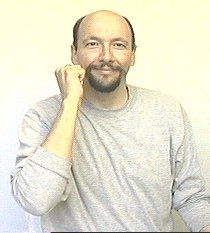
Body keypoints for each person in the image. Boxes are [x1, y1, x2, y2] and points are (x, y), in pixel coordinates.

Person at [10, 10, 210, 232]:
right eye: (93, 44)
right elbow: (36, 199)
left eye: (119, 45)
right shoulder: (43, 115)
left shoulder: (167, 111)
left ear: (133, 54)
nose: (106, 56)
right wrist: (70, 103)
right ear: (74, 54)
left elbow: (192, 198)